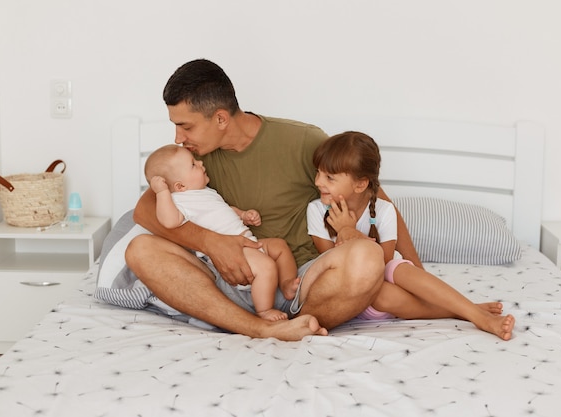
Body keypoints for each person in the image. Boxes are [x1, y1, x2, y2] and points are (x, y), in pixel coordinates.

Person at [125, 58, 420, 341]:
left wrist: (416, 275)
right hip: (228, 281)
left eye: (186, 126)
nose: (177, 137)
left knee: (367, 258)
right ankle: (260, 328)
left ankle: (292, 319)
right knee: (140, 249)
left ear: (220, 118)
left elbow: (373, 197)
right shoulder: (190, 159)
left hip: (302, 286)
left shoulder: (301, 141)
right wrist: (210, 243)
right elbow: (144, 210)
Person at [305, 131, 515, 341]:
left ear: (360, 184)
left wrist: (351, 230)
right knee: (382, 295)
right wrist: (344, 230)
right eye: (318, 173)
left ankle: (478, 316)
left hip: (388, 274)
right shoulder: (316, 211)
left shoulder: (384, 210)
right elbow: (332, 264)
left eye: (329, 177)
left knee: (401, 268)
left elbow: (384, 261)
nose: (318, 182)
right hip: (360, 293)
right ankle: (466, 310)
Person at [144, 144, 301, 321]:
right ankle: (264, 310)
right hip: (234, 254)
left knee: (279, 245)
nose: (201, 163)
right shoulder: (179, 201)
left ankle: (287, 284)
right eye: (193, 165)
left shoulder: (206, 192)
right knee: (266, 266)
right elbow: (169, 221)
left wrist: (243, 215)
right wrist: (162, 193)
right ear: (180, 186)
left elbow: (223, 210)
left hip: (247, 240)